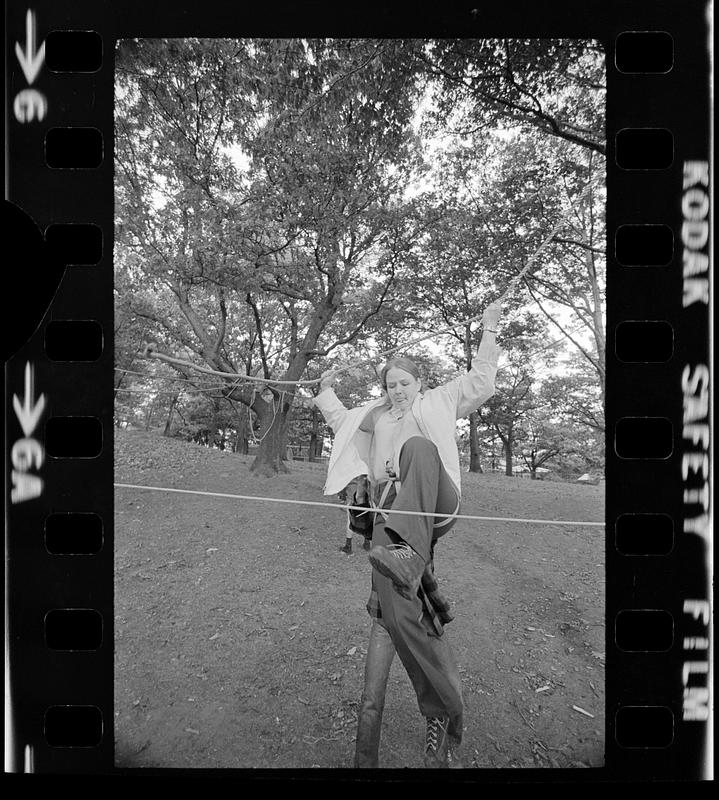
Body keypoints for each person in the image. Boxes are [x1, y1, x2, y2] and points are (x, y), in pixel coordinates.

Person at [314, 302, 502, 768]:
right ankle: (430, 718)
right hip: (388, 514)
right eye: (390, 384)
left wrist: (490, 327)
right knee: (396, 614)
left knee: (418, 447)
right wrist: (325, 389)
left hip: (435, 504)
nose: (397, 390)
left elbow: (481, 380)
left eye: (404, 383)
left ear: (419, 383)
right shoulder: (377, 416)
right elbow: (342, 420)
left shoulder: (439, 401)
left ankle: (411, 555)